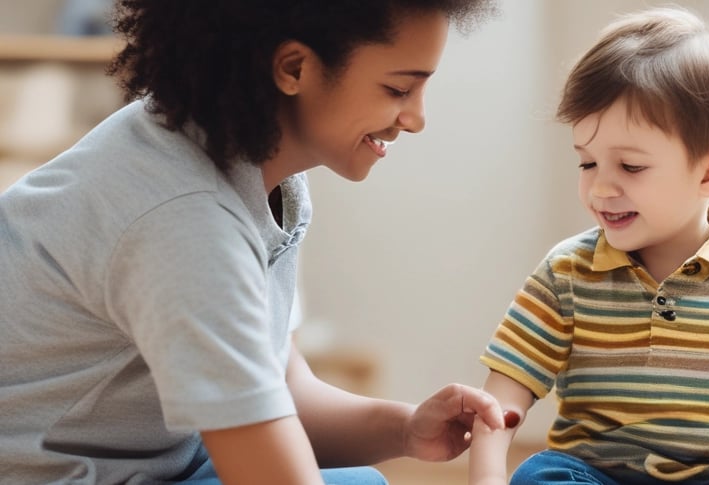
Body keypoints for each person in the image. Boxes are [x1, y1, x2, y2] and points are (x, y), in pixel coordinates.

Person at [0, 1, 505, 484]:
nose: (416, 119)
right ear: (294, 68)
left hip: (164, 460)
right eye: (398, 89)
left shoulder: (258, 167)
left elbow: (279, 388)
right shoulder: (184, 220)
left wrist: (405, 427)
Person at [469, 6, 709, 485]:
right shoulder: (565, 273)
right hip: (597, 473)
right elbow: (504, 395)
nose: (600, 189)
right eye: (587, 164)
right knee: (542, 476)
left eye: (630, 167)